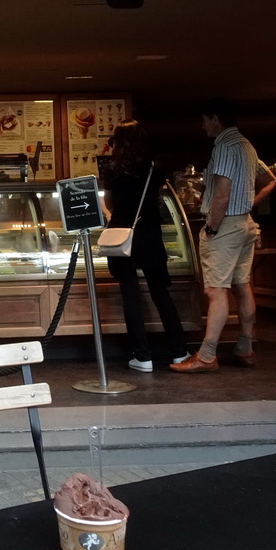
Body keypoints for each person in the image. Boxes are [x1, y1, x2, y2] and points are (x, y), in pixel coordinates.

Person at [171, 97, 273, 373]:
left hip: (226, 225)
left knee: (215, 291)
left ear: (215, 118)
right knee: (242, 286)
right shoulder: (247, 145)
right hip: (245, 224)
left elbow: (223, 191)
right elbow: (270, 179)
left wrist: (213, 226)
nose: (202, 126)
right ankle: (244, 348)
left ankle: (206, 356)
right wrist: (250, 203)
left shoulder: (225, 145)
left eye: (204, 120)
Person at [101, 121, 189, 372]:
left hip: (122, 234)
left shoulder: (112, 168)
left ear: (117, 141)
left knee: (130, 293)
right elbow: (159, 197)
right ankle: (180, 352)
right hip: (149, 232)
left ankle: (142, 356)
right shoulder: (155, 167)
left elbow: (109, 202)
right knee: (160, 292)